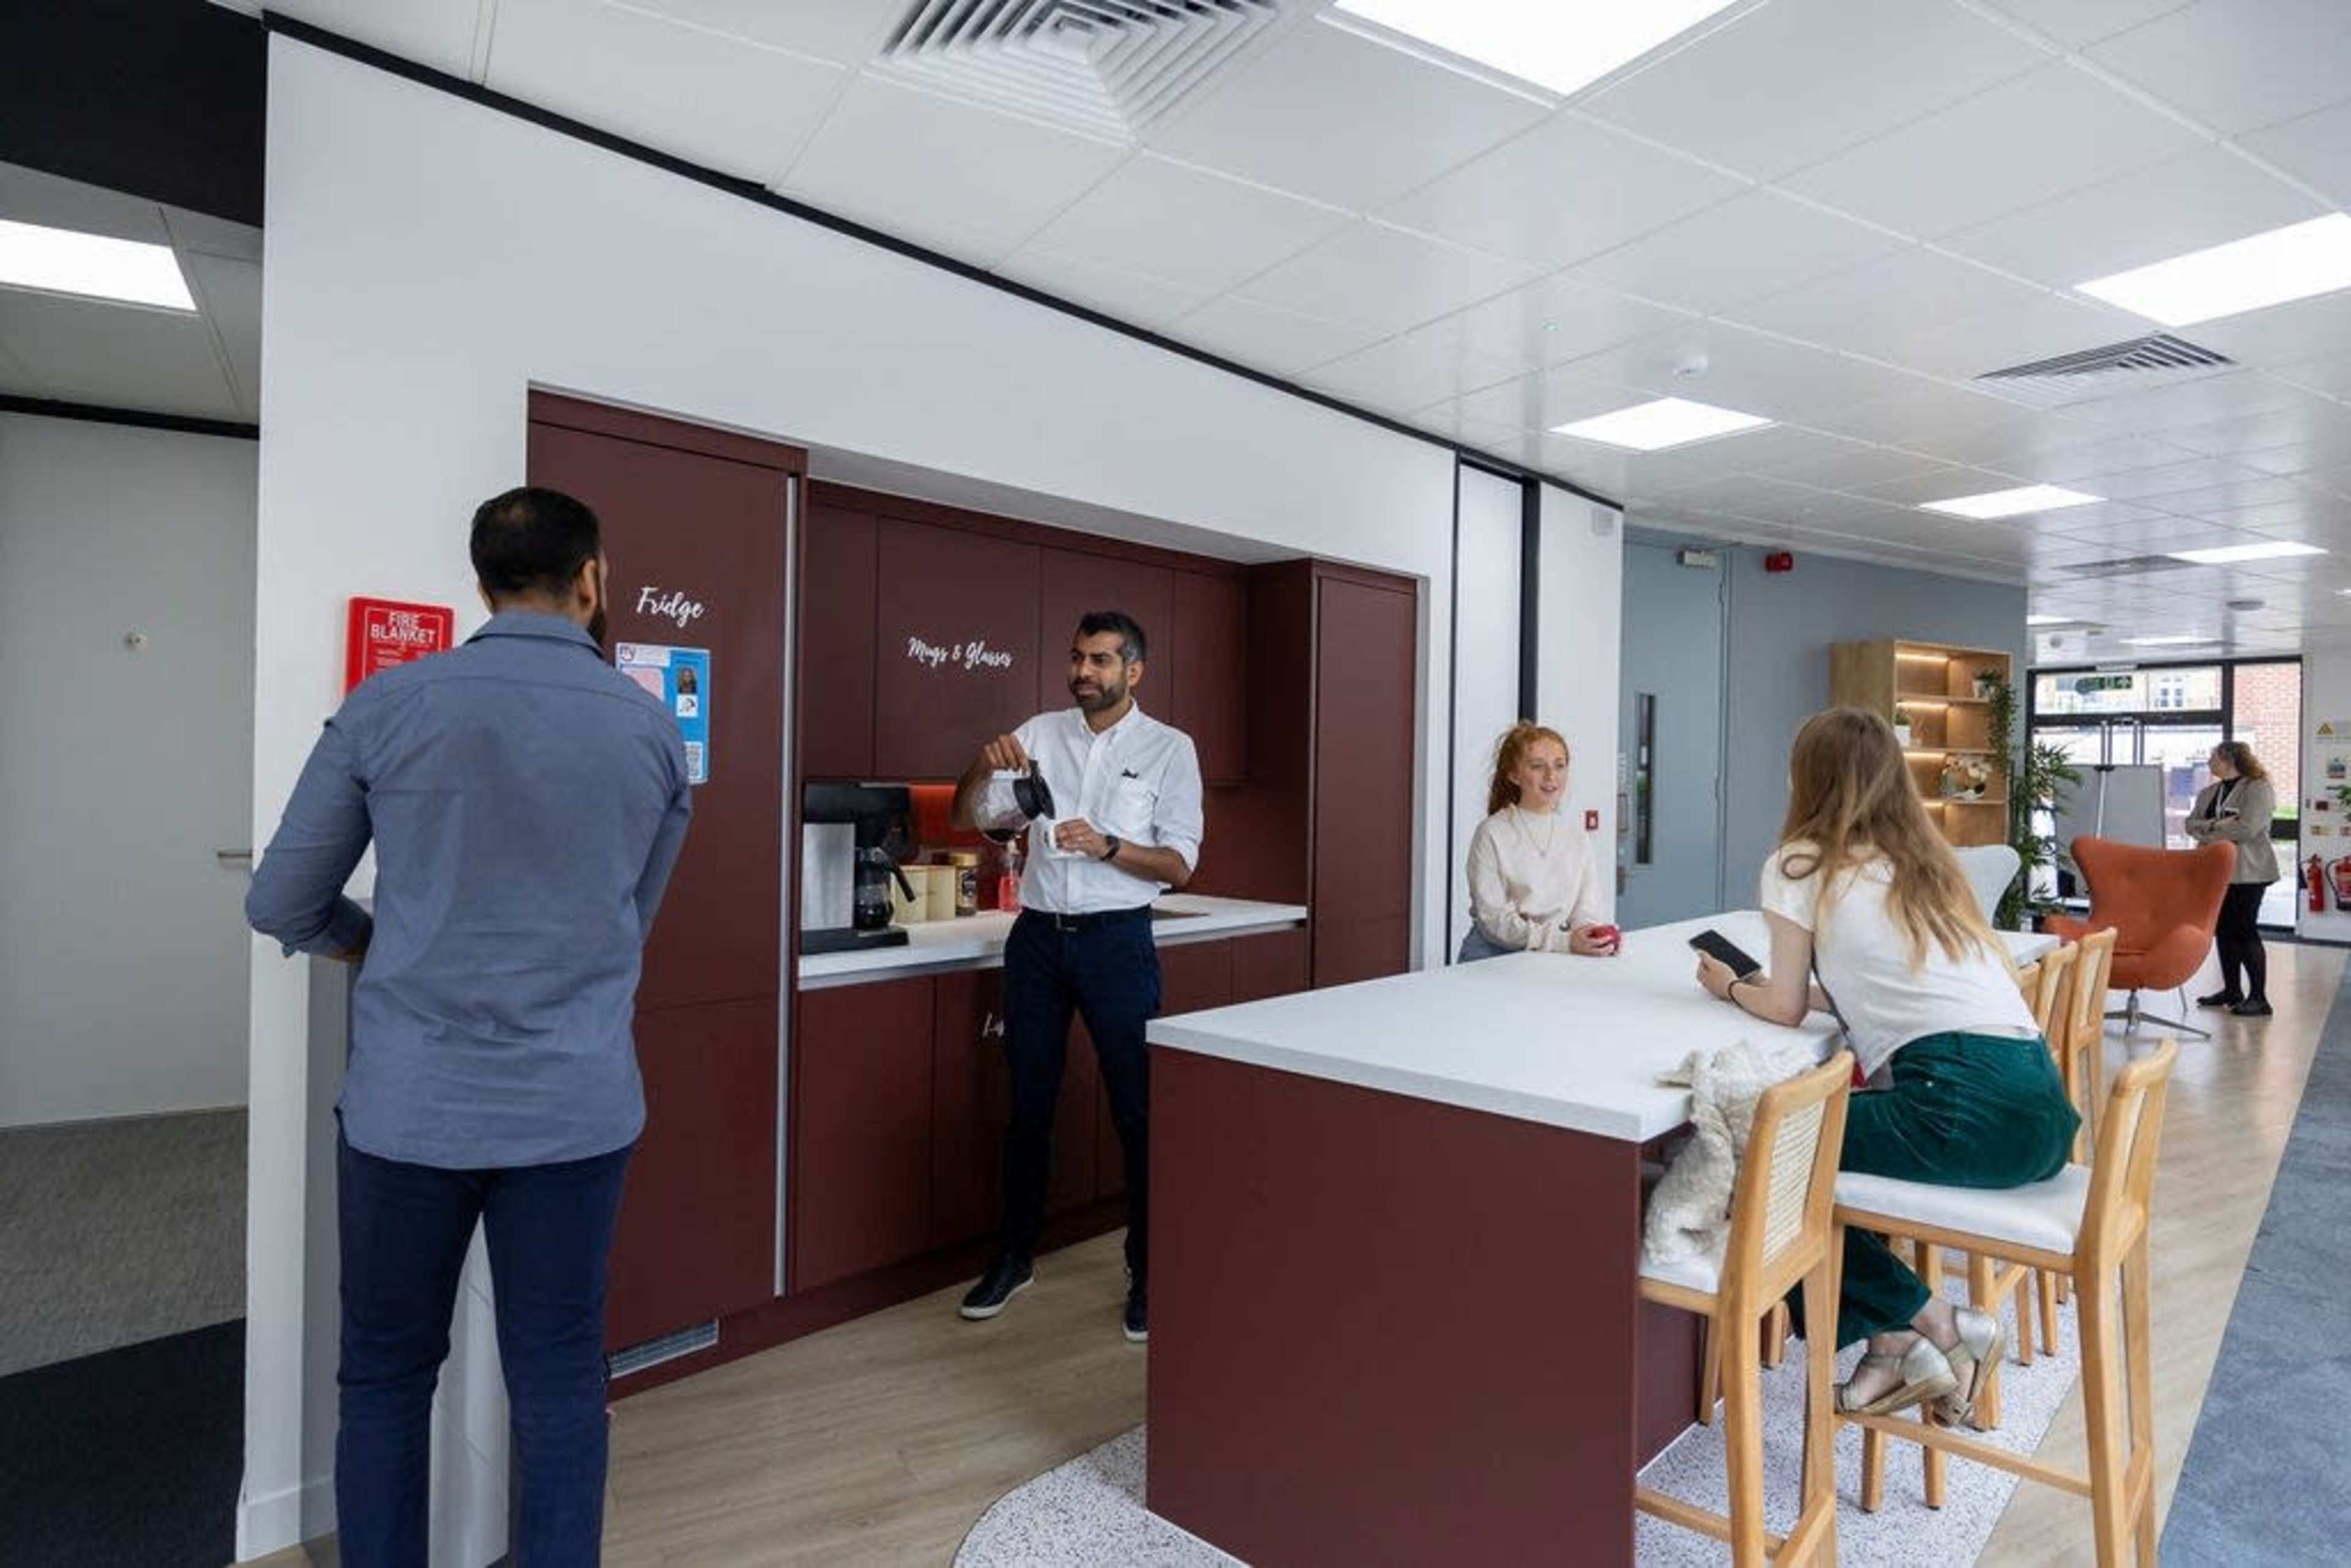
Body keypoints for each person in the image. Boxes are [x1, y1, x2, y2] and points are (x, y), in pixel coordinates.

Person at [246, 487, 693, 1567]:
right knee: (559, 1375)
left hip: (409, 1110)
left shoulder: (390, 704)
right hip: (575, 1110)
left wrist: (379, 940)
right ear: (591, 580)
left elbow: (279, 903)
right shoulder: (650, 730)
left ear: (482, 584)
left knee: (389, 1377)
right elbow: (628, 923)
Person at [1692, 707, 2079, 1420]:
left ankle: (1930, 1322)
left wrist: (1729, 985)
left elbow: (1778, 1006)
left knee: (1770, 1153)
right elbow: (1865, 989)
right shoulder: (1924, 868)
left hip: (1958, 1104)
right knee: (1827, 1154)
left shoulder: (1799, 861)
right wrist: (1791, 994)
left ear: (1807, 778)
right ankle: (1893, 1343)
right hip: (2042, 1108)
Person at [950, 610, 1204, 1344]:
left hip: (1118, 942)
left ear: (1134, 670)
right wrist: (983, 759)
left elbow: (1181, 864)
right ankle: (1014, 1258)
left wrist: (1108, 844)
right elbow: (978, 815)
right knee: (1028, 1106)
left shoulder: (1168, 749)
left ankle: (1148, 1271)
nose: (1082, 671)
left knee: (1138, 1109)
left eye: (1098, 660)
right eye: (1076, 658)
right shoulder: (1039, 731)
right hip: (1038, 942)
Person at [1459, 721, 1616, 962]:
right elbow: (1494, 920)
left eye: (1560, 766)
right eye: (1537, 766)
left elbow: (1586, 909)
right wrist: (1563, 941)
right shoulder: (1492, 833)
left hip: (1554, 956)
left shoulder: (1577, 836)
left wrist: (1592, 936)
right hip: (1493, 957)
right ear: (1513, 775)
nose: (1551, 776)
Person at [2186, 740, 2278, 1017]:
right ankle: (2232, 991)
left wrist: (2208, 832)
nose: (2209, 763)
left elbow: (2248, 828)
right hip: (2216, 872)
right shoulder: (2209, 792)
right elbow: (2190, 824)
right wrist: (2219, 825)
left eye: (2213, 758)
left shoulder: (2257, 788)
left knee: (2244, 929)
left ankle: (2260, 998)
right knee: (2224, 931)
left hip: (2249, 872)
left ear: (2229, 759)